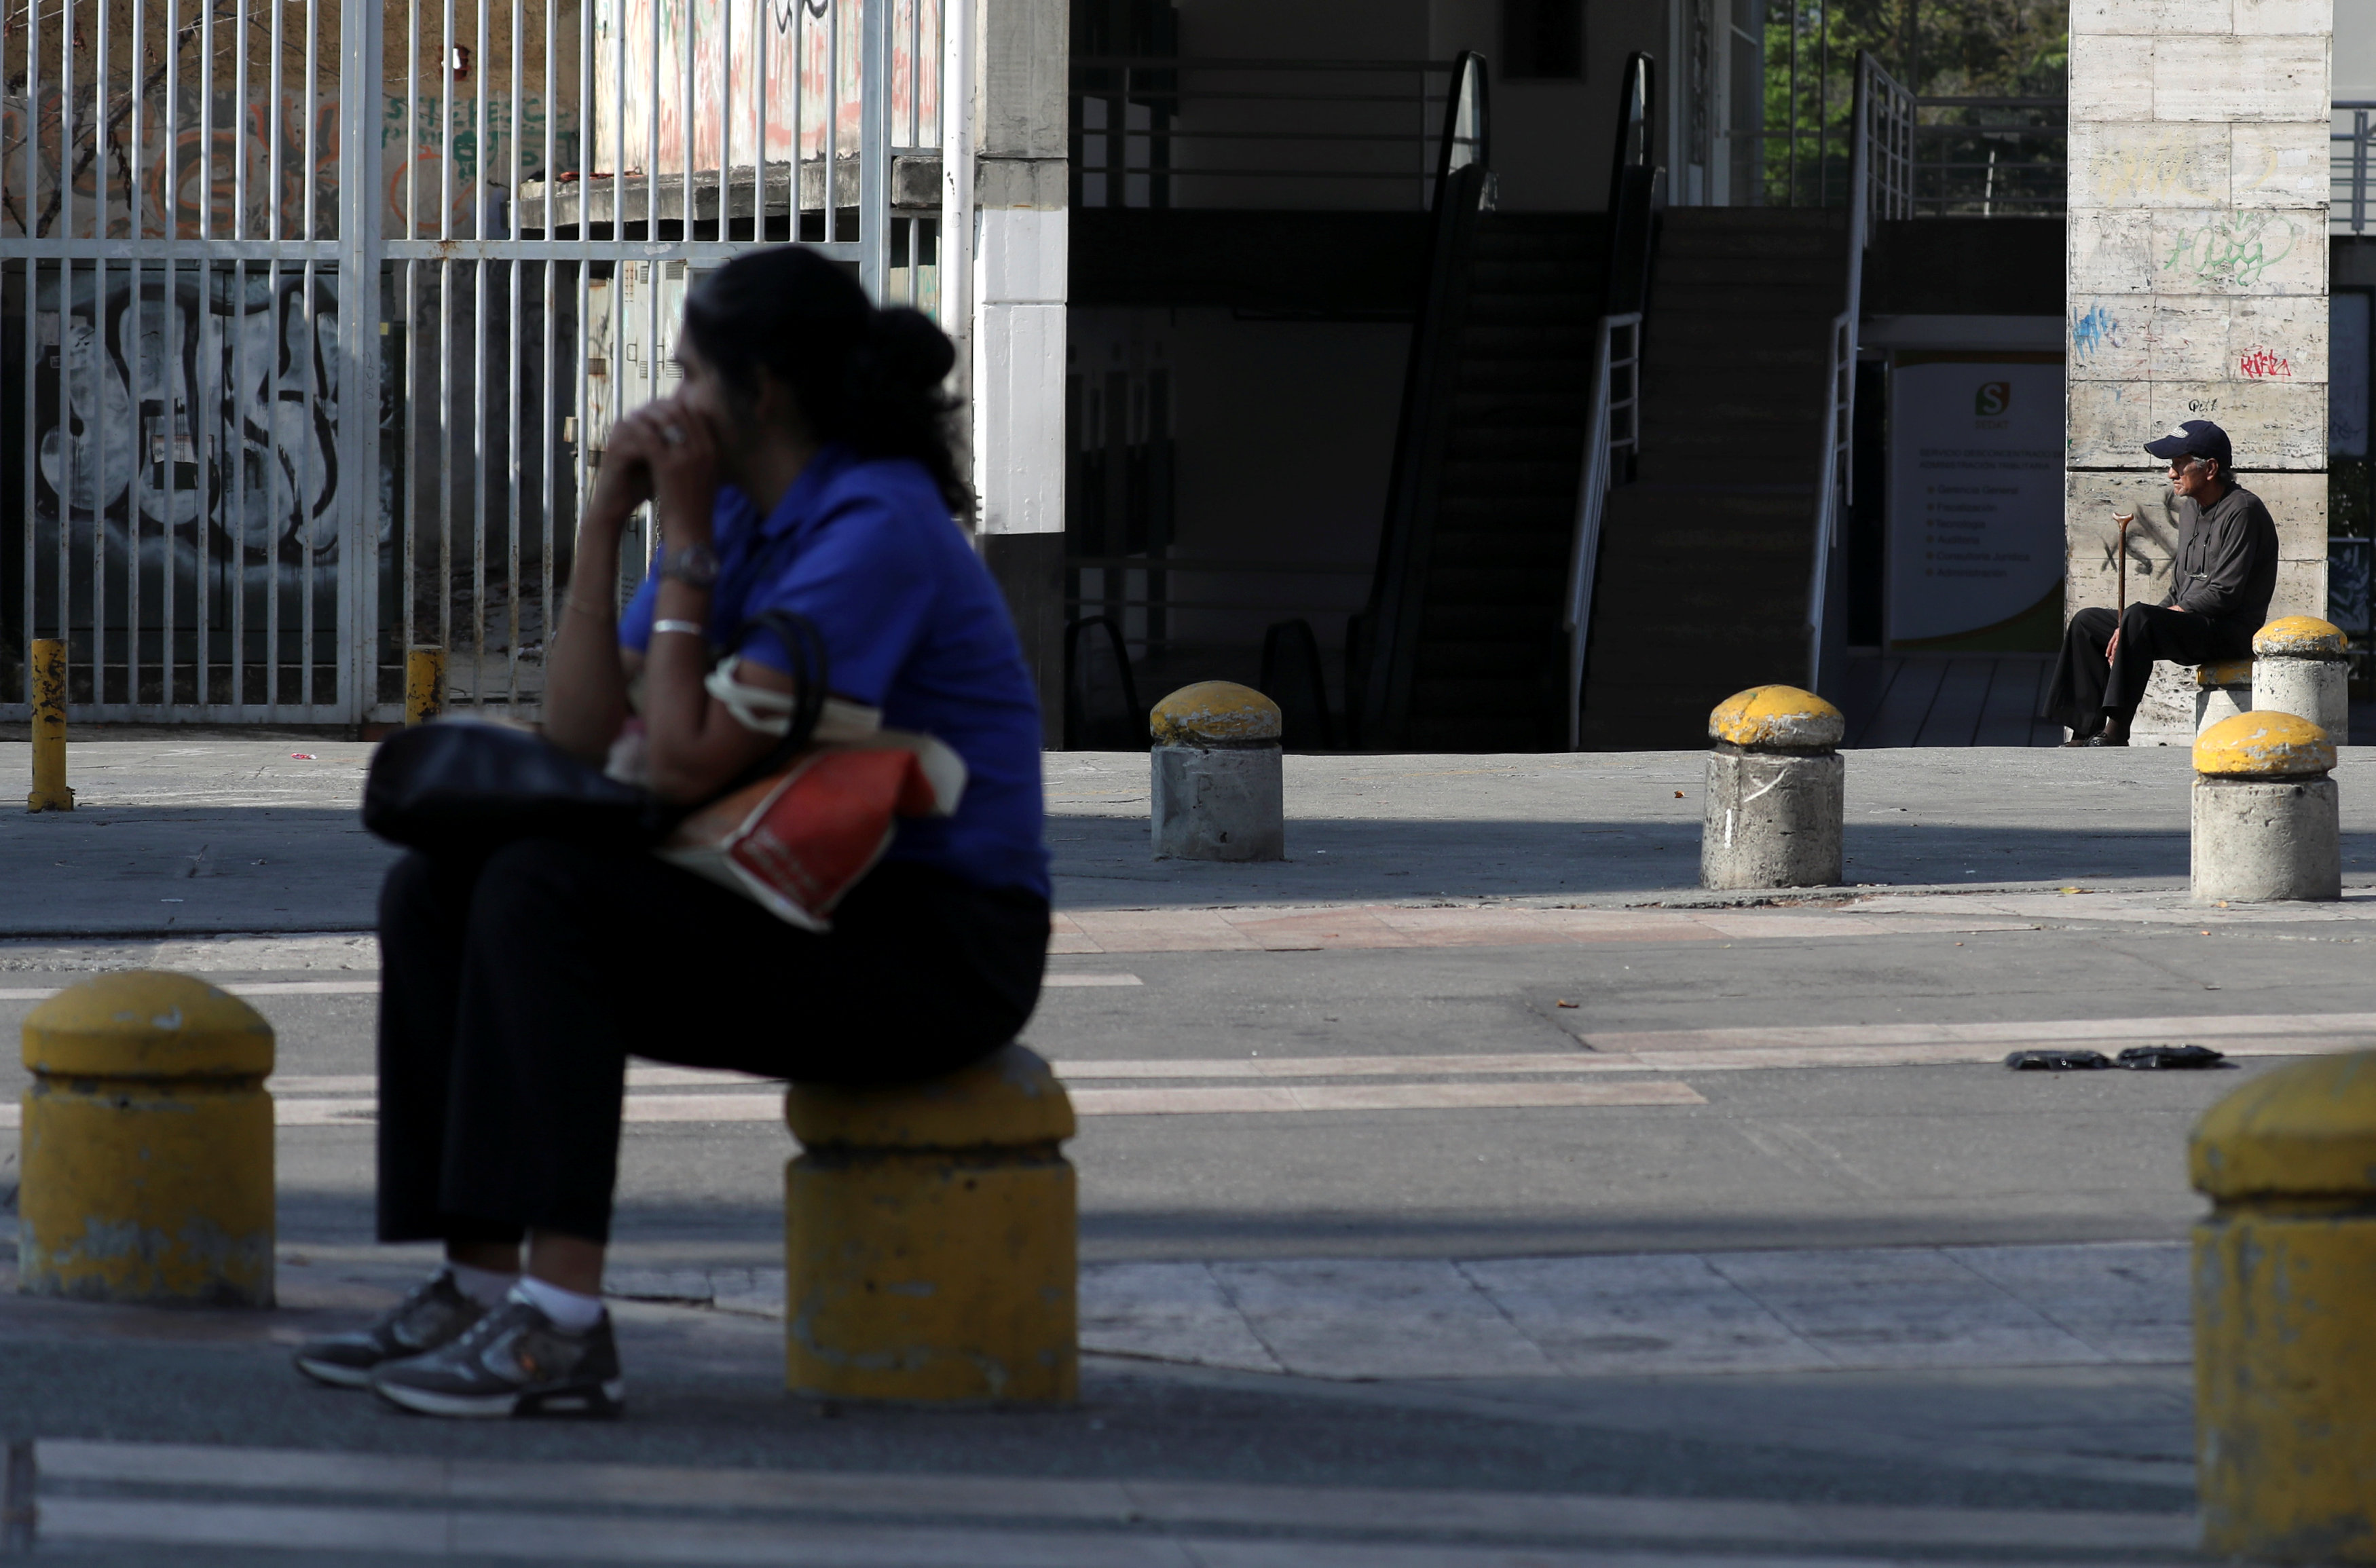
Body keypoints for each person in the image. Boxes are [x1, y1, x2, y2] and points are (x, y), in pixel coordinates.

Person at [293, 246, 1050, 1418]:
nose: (669, 398)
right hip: (802, 897)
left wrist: (685, 543)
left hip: (937, 944)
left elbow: (690, 757)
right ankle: (478, 1286)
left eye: (691, 372)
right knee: (438, 889)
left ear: (763, 394)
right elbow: (587, 731)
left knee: (546, 891)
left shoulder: (875, 528)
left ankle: (564, 1326)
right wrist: (608, 522)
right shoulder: (746, 512)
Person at [2044, 419, 2278, 747]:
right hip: (2191, 621)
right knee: (2087, 622)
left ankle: (2116, 732)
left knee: (2137, 617)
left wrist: (2146, 620)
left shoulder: (2244, 510)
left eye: (2178, 465)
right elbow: (2179, 587)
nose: (2171, 474)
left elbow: (2225, 593)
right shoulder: (2191, 510)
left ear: (2210, 468)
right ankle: (2086, 728)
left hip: (2227, 630)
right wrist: (2134, 625)